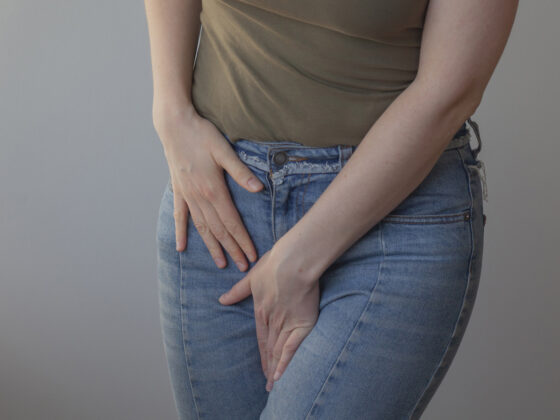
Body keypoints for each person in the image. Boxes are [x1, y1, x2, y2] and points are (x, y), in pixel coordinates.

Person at [144, 0, 518, 418]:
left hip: (395, 213)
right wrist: (171, 115)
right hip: (220, 202)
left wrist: (299, 261)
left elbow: (452, 90)